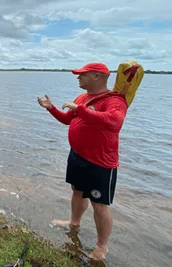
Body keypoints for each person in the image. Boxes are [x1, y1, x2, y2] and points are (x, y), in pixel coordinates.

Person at [37, 62, 128, 262]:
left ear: (97, 76)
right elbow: (68, 119)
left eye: (82, 75)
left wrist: (81, 110)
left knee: (99, 204)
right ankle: (74, 223)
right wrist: (51, 109)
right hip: (78, 156)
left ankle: (101, 246)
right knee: (77, 192)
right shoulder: (82, 98)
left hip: (101, 162)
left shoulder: (115, 100)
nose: (78, 78)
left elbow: (114, 122)